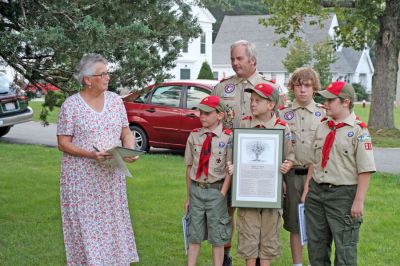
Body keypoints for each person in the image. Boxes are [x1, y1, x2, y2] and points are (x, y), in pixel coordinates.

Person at [57, 54, 139, 265]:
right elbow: (63, 143)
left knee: (112, 227)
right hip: (82, 182)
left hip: (110, 180)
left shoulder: (115, 101)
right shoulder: (71, 106)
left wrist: (129, 149)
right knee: (87, 229)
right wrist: (91, 154)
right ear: (87, 79)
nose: (108, 77)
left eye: (108, 73)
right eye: (102, 74)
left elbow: (126, 132)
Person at [211, 40, 274, 265]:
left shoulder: (270, 88)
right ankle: (225, 254)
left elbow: (279, 127)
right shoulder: (222, 87)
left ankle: (255, 257)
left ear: (253, 60)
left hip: (258, 162)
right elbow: (212, 121)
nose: (235, 63)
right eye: (232, 59)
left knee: (253, 214)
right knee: (225, 210)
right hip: (226, 160)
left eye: (239, 58)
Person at [303, 81, 376, 266]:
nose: (324, 104)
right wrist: (307, 189)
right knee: (316, 246)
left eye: (330, 100)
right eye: (324, 100)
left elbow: (365, 169)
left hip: (343, 195)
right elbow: (315, 161)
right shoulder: (323, 126)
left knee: (345, 249)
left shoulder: (359, 131)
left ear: (346, 102)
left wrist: (358, 201)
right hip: (317, 192)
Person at [236, 83, 294, 266]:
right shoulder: (244, 123)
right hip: (248, 190)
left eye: (258, 101)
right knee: (248, 234)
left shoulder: (282, 127)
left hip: (271, 191)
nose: (253, 104)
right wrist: (232, 165)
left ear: (271, 105)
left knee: (269, 236)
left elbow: (290, 155)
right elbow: (235, 152)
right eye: (251, 100)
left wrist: (287, 164)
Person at [278, 67, 325, 266]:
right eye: (298, 86)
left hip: (317, 177)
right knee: (295, 224)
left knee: (317, 224)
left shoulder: (323, 114)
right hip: (291, 176)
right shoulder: (283, 114)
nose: (302, 90)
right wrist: (281, 179)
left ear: (314, 88)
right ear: (292, 88)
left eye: (307, 85)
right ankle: (297, 264)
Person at [184, 95, 233, 266]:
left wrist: (223, 193)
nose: (202, 116)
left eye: (207, 113)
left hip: (216, 190)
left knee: (218, 235)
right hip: (197, 190)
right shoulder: (194, 136)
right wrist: (188, 196)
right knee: (194, 233)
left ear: (219, 115)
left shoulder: (228, 138)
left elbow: (229, 170)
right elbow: (189, 167)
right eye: (200, 112)